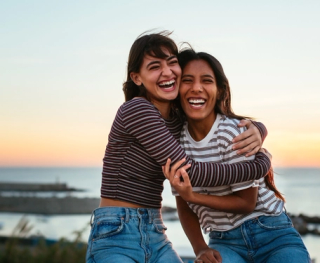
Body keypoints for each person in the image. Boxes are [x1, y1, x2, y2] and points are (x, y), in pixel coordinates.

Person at [86, 31, 271, 263]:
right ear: (137, 78)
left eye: (172, 63)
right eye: (154, 67)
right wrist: (260, 164)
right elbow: (190, 171)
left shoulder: (176, 120)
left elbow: (221, 122)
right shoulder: (137, 110)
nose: (167, 72)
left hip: (154, 229)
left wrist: (258, 129)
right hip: (117, 230)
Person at [164, 48, 311, 263]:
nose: (197, 88)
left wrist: (193, 196)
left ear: (220, 90)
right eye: (187, 80)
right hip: (224, 241)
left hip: (272, 234)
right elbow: (184, 206)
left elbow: (246, 203)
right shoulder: (177, 143)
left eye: (206, 80)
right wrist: (200, 248)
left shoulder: (232, 132)